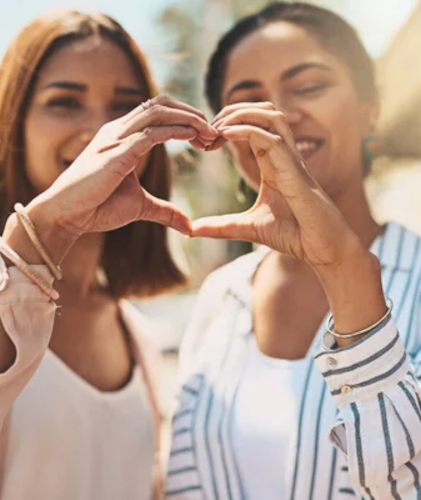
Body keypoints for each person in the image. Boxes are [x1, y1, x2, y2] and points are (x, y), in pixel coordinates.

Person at [0, 11, 219, 500]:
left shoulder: (138, 338)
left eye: (125, 108)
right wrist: (46, 230)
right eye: (65, 103)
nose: (99, 132)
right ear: (12, 127)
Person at [166, 3, 421, 499]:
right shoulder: (221, 297)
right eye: (245, 102)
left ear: (370, 107)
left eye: (309, 87)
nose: (276, 116)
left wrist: (345, 271)